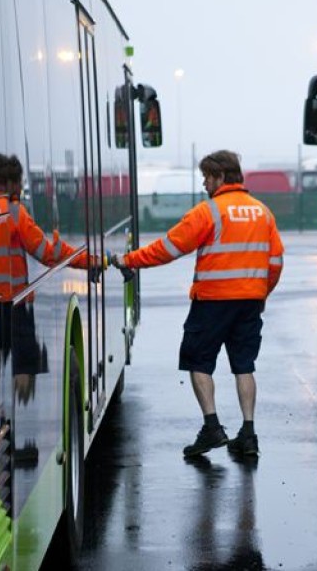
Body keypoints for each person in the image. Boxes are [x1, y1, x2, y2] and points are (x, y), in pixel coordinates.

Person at [108, 150, 284, 457]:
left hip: (213, 302)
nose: (204, 183)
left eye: (206, 177)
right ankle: (248, 433)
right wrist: (261, 293)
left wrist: (129, 260)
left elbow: (168, 248)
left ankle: (212, 427)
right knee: (244, 365)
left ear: (219, 177)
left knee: (198, 361)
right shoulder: (263, 212)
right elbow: (276, 261)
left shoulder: (210, 212)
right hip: (250, 303)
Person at [0, 152, 102, 413]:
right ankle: (19, 408)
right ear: (4, 182)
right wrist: (89, 260)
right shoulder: (13, 212)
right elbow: (49, 253)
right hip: (13, 305)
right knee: (24, 363)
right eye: (18, 183)